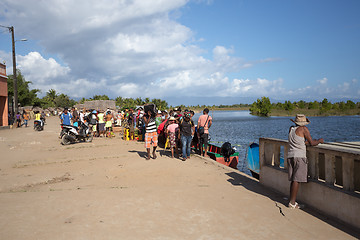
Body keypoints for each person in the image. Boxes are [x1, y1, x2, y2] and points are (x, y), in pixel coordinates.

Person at [287, 114, 324, 209]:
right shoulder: (304, 129)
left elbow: (298, 141)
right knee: (297, 179)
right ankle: (292, 203)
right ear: (304, 123)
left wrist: (306, 142)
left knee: (293, 179)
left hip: (291, 155)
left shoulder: (291, 129)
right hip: (299, 156)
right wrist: (319, 141)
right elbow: (312, 143)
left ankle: (291, 200)